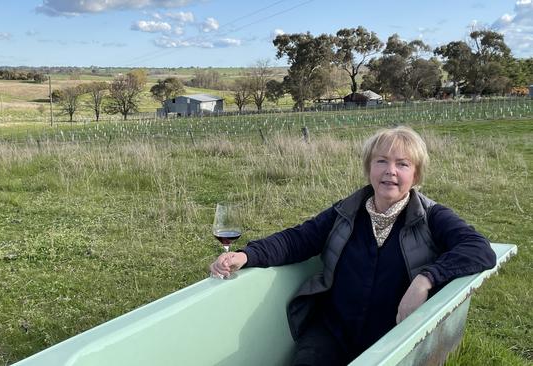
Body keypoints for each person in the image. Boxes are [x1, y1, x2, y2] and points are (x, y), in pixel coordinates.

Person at [209, 126, 496, 365]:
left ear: (416, 175)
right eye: (381, 161)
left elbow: (478, 248)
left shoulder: (432, 216)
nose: (390, 171)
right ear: (369, 168)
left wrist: (425, 279)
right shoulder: (346, 212)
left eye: (402, 164)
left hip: (391, 338)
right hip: (332, 331)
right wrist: (246, 255)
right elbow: (299, 238)